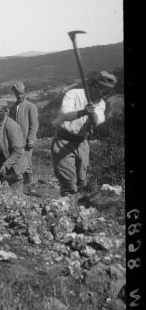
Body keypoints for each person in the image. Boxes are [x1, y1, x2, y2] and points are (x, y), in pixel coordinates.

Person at [51, 70, 117, 210]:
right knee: (69, 182)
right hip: (64, 140)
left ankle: (74, 206)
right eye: (104, 92)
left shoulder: (101, 104)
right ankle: (69, 212)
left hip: (82, 143)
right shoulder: (73, 94)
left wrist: (93, 116)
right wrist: (83, 112)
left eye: (108, 93)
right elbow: (65, 115)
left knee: (81, 181)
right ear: (94, 87)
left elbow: (97, 121)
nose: (105, 95)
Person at [0, 98, 27, 193]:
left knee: (15, 197)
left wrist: (6, 165)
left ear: (5, 111)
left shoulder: (11, 126)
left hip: (14, 167)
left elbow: (17, 151)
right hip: (0, 165)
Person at [9, 82, 39, 191]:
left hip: (26, 141)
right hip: (15, 142)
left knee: (27, 164)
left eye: (22, 93)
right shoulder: (12, 108)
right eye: (17, 94)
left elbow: (34, 125)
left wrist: (31, 138)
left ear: (24, 92)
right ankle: (20, 188)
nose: (20, 96)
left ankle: (30, 187)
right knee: (17, 165)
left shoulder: (31, 107)